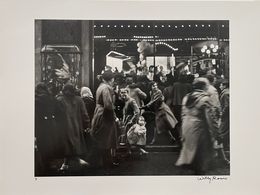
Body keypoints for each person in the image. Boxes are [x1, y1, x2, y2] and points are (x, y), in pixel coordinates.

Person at [175, 78, 219, 174]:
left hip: (187, 124)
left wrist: (182, 129)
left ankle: (191, 167)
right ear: (203, 87)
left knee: (190, 149)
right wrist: (216, 132)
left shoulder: (187, 97)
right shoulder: (205, 98)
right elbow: (210, 118)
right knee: (200, 151)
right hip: (199, 126)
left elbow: (183, 114)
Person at [56, 83, 90, 171]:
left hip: (64, 127)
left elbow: (56, 115)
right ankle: (74, 162)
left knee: (67, 146)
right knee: (74, 145)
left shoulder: (59, 100)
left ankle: (67, 163)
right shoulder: (79, 100)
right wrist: (87, 125)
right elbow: (84, 114)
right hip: (76, 126)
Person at [90, 70, 118, 168]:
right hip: (105, 114)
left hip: (98, 112)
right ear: (111, 79)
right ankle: (106, 163)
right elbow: (108, 105)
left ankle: (102, 162)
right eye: (113, 78)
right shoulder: (106, 88)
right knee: (107, 138)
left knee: (101, 137)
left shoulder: (100, 86)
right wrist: (114, 117)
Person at [35, 83, 61, 175]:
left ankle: (44, 166)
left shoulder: (36, 100)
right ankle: (51, 165)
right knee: (51, 143)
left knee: (42, 144)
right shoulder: (52, 98)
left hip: (41, 124)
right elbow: (59, 111)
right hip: (52, 123)